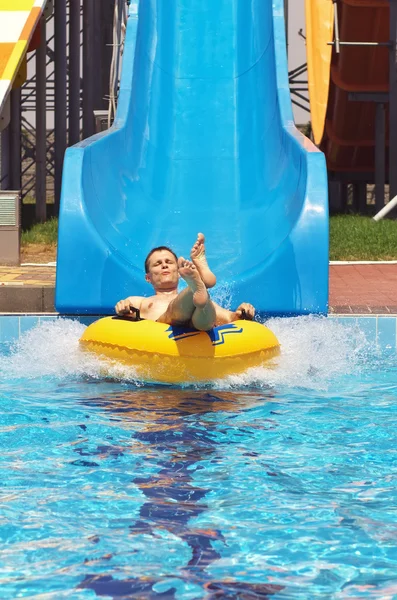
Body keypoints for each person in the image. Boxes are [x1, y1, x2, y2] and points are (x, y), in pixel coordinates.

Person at [115, 233, 255, 331]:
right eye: (158, 264)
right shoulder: (140, 302)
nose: (164, 265)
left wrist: (242, 312)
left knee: (203, 306)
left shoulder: (197, 296)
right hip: (164, 324)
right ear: (148, 278)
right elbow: (124, 308)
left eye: (169, 262)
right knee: (175, 309)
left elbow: (229, 318)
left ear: (179, 273)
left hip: (196, 324)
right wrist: (123, 307)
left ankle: (200, 285)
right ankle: (201, 282)